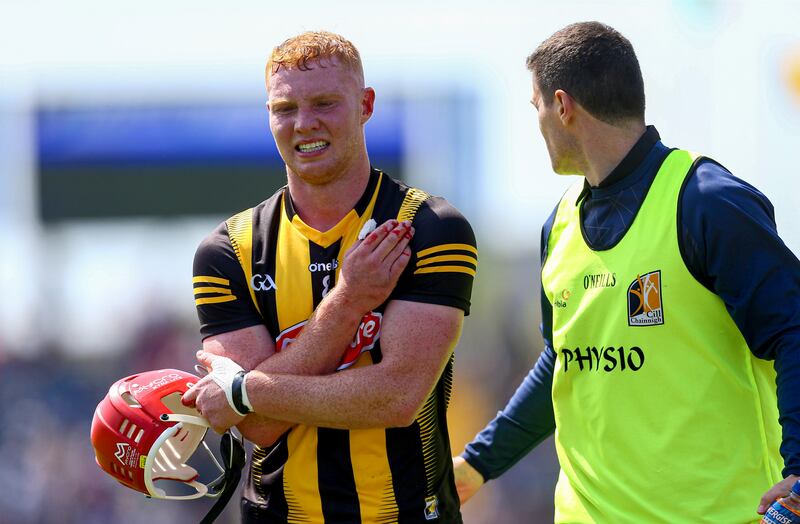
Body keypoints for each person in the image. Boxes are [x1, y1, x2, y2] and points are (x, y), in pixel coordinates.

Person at [453, 21, 800, 523]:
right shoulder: (559, 225)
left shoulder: (706, 203)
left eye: (536, 109)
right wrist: (478, 464)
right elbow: (563, 364)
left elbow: (793, 329)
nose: (538, 125)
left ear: (563, 106)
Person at [181, 31, 477, 523]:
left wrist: (245, 389)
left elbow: (397, 397)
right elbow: (257, 427)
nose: (304, 124)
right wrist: (348, 300)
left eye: (324, 103)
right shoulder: (226, 251)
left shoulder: (431, 228)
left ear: (366, 105)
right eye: (284, 108)